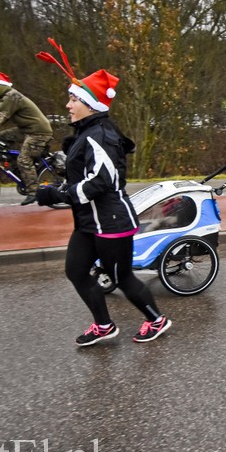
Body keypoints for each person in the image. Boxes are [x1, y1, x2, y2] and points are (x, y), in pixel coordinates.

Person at [35, 39, 170, 346]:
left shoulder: (102, 135)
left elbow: (102, 182)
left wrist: (58, 193)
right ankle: (104, 324)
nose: (68, 105)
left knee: (123, 278)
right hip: (88, 222)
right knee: (76, 271)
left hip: (111, 223)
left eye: (73, 99)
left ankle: (156, 319)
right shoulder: (86, 132)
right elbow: (83, 172)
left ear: (89, 104)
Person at [0, 72, 53, 205]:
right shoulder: (10, 97)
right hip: (28, 129)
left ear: (3, 86)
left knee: (24, 159)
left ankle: (33, 191)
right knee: (3, 136)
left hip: (38, 132)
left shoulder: (11, 96)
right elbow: (1, 119)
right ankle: (17, 165)